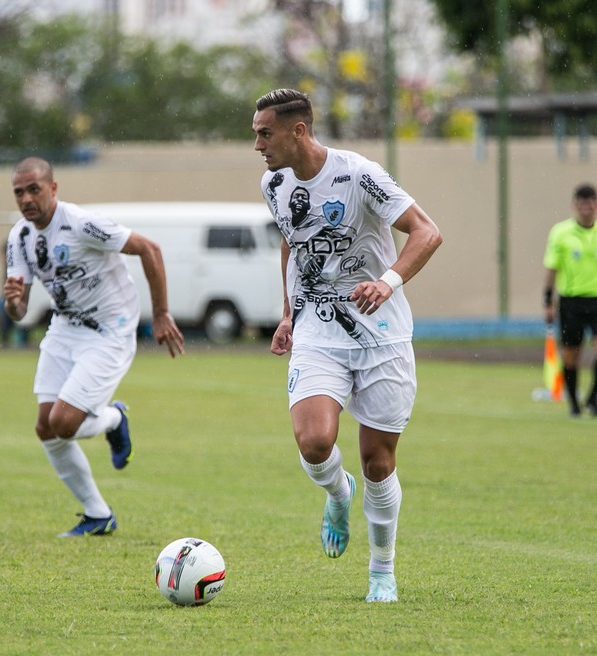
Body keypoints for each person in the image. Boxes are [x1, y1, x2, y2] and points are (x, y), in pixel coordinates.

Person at [253, 89, 442, 602]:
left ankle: (382, 569)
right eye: (255, 134)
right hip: (317, 329)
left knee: (378, 461)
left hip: (380, 333)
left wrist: (388, 282)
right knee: (314, 442)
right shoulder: (273, 183)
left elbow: (426, 232)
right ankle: (338, 494)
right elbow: (292, 241)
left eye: (264, 133)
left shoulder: (359, 174)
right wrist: (289, 311)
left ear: (299, 131)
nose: (257, 145)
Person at [3, 157, 185, 538]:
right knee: (45, 428)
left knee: (63, 423)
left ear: (53, 189)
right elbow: (18, 311)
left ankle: (115, 419)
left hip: (110, 330)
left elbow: (149, 249)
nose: (26, 199)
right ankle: (97, 514)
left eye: (34, 189)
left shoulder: (81, 223)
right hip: (65, 326)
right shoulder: (20, 237)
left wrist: (162, 313)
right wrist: (13, 302)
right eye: (19, 192)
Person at [543, 183, 597, 417]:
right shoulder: (561, 232)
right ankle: (574, 403)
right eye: (582, 203)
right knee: (571, 355)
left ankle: (593, 398)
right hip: (571, 302)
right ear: (575, 206)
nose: (587, 208)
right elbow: (551, 269)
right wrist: (547, 300)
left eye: (591, 202)